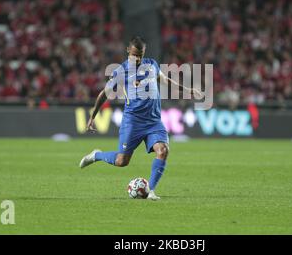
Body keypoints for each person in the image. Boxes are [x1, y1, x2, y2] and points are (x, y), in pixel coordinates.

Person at [79, 36, 201, 200]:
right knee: (122, 161)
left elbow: (165, 80)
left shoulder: (151, 64)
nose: (137, 59)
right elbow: (104, 94)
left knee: (163, 150)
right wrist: (92, 116)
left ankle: (151, 190)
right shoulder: (121, 71)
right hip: (133, 122)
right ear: (128, 51)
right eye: (135, 54)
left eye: (140, 55)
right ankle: (96, 155)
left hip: (153, 121)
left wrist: (188, 90)